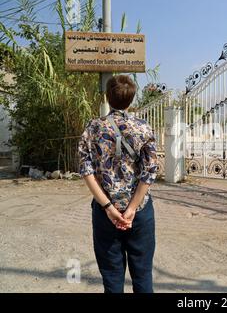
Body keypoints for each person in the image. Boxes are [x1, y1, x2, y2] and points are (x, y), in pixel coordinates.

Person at [78, 75, 158, 293]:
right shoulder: (143, 128)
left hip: (105, 214)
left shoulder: (93, 128)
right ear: (131, 100)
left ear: (107, 97)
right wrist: (131, 209)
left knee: (112, 279)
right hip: (140, 213)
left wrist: (109, 208)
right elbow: (149, 173)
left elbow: (86, 171)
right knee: (142, 276)